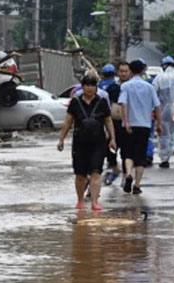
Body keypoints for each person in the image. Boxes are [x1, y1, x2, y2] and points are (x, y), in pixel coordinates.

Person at [57, 73, 117, 211]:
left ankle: (95, 202)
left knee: (96, 172)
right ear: (82, 87)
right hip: (80, 143)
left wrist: (112, 138)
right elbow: (68, 121)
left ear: (96, 88)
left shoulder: (102, 102)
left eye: (92, 86)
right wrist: (61, 139)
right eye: (86, 86)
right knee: (80, 174)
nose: (89, 88)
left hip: (98, 143)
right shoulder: (75, 102)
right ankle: (80, 200)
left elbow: (108, 121)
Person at [117, 59, 161, 195]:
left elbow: (123, 104)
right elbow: (157, 106)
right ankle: (137, 184)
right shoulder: (149, 87)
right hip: (144, 125)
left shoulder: (126, 86)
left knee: (128, 153)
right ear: (143, 70)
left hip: (129, 125)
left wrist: (126, 121)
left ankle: (128, 174)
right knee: (140, 156)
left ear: (130, 70)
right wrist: (159, 123)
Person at [154, 55, 174, 168]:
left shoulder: (159, 78)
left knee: (164, 135)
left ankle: (164, 159)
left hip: (163, 109)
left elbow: (154, 94)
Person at [98, 63, 120, 183]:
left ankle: (111, 163)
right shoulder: (116, 86)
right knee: (113, 142)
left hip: (101, 118)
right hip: (114, 119)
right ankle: (113, 164)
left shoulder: (99, 86)